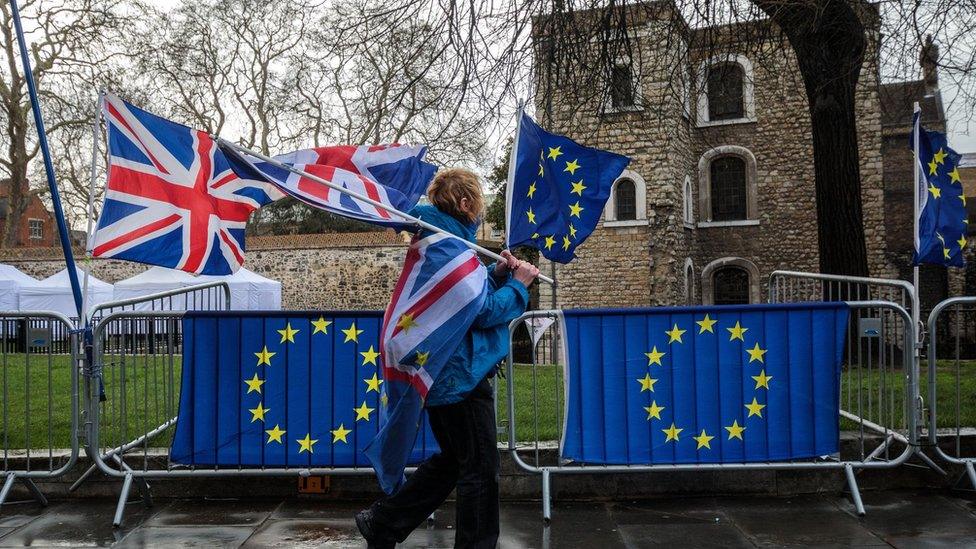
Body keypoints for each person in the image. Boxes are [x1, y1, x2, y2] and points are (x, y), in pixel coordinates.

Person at [356, 168, 540, 549]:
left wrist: (496, 271)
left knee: (455, 462)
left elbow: (465, 297)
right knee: (479, 471)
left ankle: (384, 522)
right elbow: (485, 310)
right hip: (460, 378)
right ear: (464, 203)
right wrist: (519, 287)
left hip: (447, 375)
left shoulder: (441, 244)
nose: (479, 214)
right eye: (478, 206)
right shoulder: (448, 248)